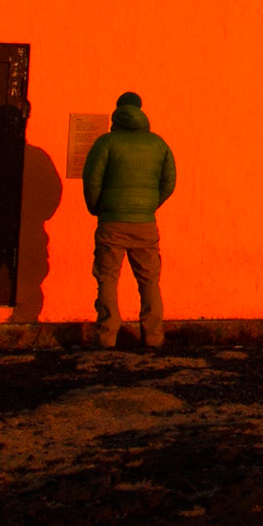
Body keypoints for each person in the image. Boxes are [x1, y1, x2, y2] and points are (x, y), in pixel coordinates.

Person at [82, 91, 176, 347]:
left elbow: (92, 181)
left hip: (111, 223)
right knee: (149, 281)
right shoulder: (158, 144)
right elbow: (169, 183)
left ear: (118, 111)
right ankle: (154, 338)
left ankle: (106, 337)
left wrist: (98, 208)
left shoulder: (105, 143)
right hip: (145, 223)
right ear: (141, 111)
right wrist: (148, 206)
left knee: (107, 278)